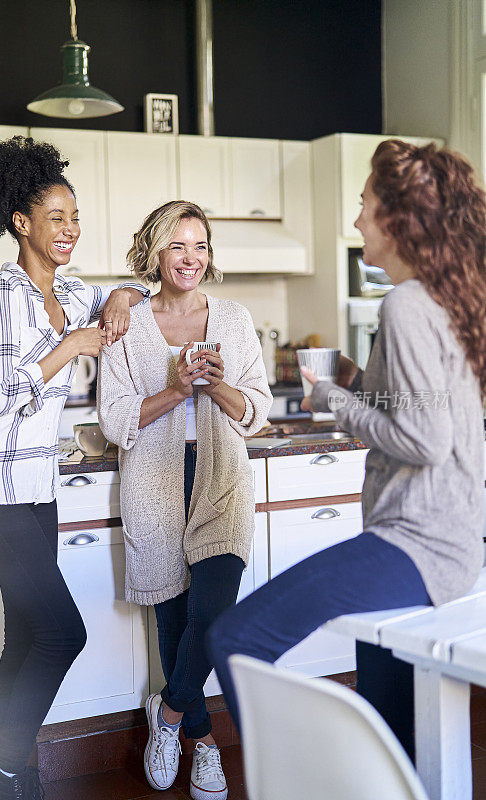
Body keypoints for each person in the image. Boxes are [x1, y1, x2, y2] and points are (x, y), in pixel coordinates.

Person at [207, 139, 486, 761]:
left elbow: (423, 439)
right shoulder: (449, 298)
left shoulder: (408, 304)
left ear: (396, 217)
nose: (356, 219)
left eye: (364, 204)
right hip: (451, 542)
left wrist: (332, 397)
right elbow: (420, 411)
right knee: (391, 716)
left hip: (416, 545)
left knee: (235, 638)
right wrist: (358, 383)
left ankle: (299, 780)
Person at [0, 136, 149, 800]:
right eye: (56, 217)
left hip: (37, 484)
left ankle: (15, 777)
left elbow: (129, 293)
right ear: (21, 223)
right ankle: (7, 775)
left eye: (75, 217)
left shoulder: (67, 287)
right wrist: (72, 345)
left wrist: (119, 298)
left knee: (25, 630)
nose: (70, 230)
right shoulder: (2, 294)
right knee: (62, 631)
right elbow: (2, 393)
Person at [97, 200, 272, 800]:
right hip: (155, 484)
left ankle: (167, 716)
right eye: (178, 246)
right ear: (155, 250)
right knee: (174, 627)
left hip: (221, 479)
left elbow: (256, 413)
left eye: (200, 246)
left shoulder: (234, 318)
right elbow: (118, 420)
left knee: (215, 612)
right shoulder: (126, 324)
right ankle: (203, 746)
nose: (191, 259)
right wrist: (176, 390)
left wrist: (217, 385)